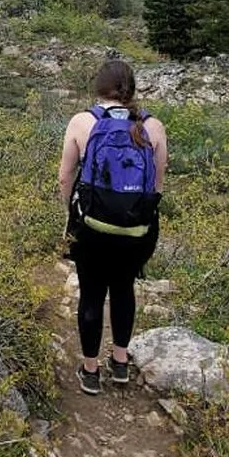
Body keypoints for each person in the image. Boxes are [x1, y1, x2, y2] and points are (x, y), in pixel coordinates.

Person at [59, 58, 167, 395]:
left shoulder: (81, 122)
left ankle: (90, 371)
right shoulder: (154, 127)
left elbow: (65, 178)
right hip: (136, 230)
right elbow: (157, 188)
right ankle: (119, 363)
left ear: (98, 87)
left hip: (91, 227)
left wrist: (72, 214)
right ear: (131, 89)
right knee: (123, 289)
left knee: (91, 294)